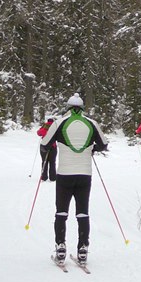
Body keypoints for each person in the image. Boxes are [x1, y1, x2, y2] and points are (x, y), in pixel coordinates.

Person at [40, 93, 108, 265]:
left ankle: (60, 247)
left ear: (68, 107)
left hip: (64, 174)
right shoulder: (91, 123)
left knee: (61, 212)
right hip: (85, 174)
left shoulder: (59, 122)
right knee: (82, 212)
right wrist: (91, 149)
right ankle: (83, 248)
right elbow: (104, 144)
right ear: (82, 108)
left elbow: (45, 144)